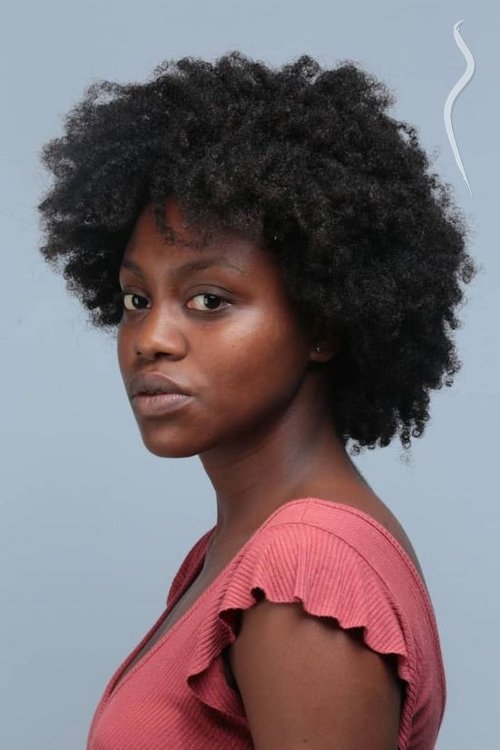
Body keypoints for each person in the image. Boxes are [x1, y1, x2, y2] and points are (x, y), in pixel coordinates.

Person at [37, 51, 475, 749]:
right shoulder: (234, 554)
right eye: (136, 299)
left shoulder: (304, 572)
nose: (151, 339)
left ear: (323, 323)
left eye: (209, 300)